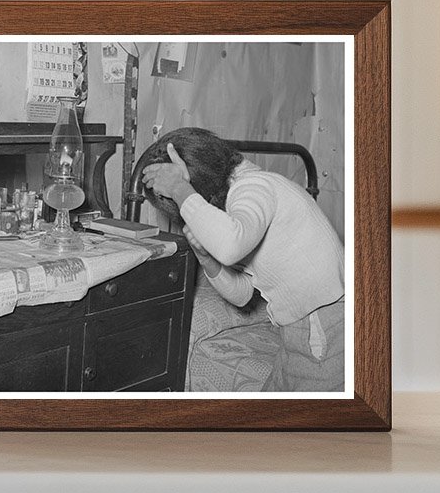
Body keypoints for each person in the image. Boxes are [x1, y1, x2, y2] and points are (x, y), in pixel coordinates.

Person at [141, 127, 345, 392]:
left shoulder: (254, 186)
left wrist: (179, 188)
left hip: (325, 321)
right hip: (299, 327)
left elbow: (229, 247)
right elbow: (243, 294)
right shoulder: (238, 213)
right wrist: (206, 258)